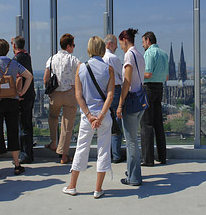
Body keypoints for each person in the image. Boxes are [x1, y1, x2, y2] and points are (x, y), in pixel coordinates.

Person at [62, 36, 114, 199]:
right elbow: (110, 95)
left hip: (87, 117)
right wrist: (101, 116)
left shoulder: (81, 68)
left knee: (81, 149)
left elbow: (78, 95)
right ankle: (98, 189)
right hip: (103, 116)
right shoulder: (109, 69)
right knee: (103, 150)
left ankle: (72, 186)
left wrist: (90, 116)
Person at [0, 39, 33, 178]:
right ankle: (17, 164)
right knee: (13, 131)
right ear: (7, 49)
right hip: (12, 100)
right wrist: (21, 92)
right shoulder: (14, 63)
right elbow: (28, 76)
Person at [43, 33, 80, 164]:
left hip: (56, 94)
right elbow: (81, 75)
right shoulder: (74, 60)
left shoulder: (52, 59)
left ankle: (53, 142)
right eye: (73, 45)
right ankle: (64, 155)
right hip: (70, 93)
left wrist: (49, 92)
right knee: (67, 125)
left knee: (53, 118)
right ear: (69, 46)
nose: (74, 48)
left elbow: (45, 78)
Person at [116, 28, 145, 186]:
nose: (120, 46)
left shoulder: (128, 55)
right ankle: (133, 171)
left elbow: (126, 82)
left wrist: (120, 104)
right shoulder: (139, 55)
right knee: (133, 141)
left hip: (131, 102)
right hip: (140, 101)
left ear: (125, 40)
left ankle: (133, 178)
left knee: (131, 142)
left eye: (121, 43)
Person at [140, 31, 168, 166]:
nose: (142, 45)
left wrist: (137, 74)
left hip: (149, 89)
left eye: (143, 42)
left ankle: (148, 159)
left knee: (146, 124)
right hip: (160, 88)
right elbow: (166, 77)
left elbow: (148, 73)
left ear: (148, 40)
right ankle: (162, 156)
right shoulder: (164, 54)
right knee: (158, 124)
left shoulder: (149, 53)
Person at [11, 36, 36, 164]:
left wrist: (18, 92)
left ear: (14, 46)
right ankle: (29, 152)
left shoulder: (17, 58)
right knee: (27, 125)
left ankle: (25, 155)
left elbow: (19, 77)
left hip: (23, 97)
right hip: (30, 94)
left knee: (22, 126)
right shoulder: (27, 56)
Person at [102, 34, 124, 163]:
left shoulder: (100, 58)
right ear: (109, 44)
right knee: (116, 123)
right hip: (115, 90)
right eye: (115, 44)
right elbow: (122, 75)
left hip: (104, 92)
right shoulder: (113, 58)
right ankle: (116, 155)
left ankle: (107, 154)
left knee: (106, 124)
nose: (117, 47)